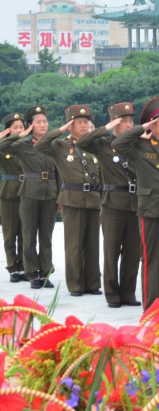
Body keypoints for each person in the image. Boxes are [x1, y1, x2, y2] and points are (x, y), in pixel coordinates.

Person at [112, 97, 159, 308]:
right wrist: (141, 128)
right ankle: (151, 307)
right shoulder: (140, 146)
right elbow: (117, 143)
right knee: (152, 260)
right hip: (151, 208)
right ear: (152, 125)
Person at [77, 102, 142, 307]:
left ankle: (128, 293)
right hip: (113, 204)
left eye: (131, 121)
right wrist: (105, 127)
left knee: (133, 252)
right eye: (124, 121)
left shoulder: (138, 144)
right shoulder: (104, 143)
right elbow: (82, 142)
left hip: (135, 204)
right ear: (115, 124)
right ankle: (112, 293)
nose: (129, 125)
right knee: (112, 251)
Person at [36, 105, 102, 297]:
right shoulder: (61, 146)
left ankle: (92, 283)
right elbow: (39, 145)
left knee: (92, 244)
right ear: (70, 125)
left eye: (86, 122)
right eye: (79, 122)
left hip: (93, 199)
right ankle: (75, 284)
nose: (84, 125)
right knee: (74, 244)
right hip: (72, 199)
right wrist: (60, 130)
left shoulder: (94, 146)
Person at [0, 106, 58, 289]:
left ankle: (45, 272)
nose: (43, 125)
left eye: (44, 121)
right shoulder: (21, 146)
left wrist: (61, 194)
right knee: (27, 235)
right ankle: (31, 273)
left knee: (46, 237)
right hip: (27, 193)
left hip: (49, 193)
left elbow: (59, 172)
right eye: (38, 122)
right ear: (31, 126)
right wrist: (17, 134)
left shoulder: (53, 145)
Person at [0, 113, 25, 283]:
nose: (18, 131)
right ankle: (12, 267)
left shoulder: (27, 147)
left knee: (25, 233)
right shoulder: (4, 147)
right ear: (8, 130)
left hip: (27, 191)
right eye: (14, 127)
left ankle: (24, 266)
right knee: (10, 232)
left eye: (21, 127)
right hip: (9, 192)